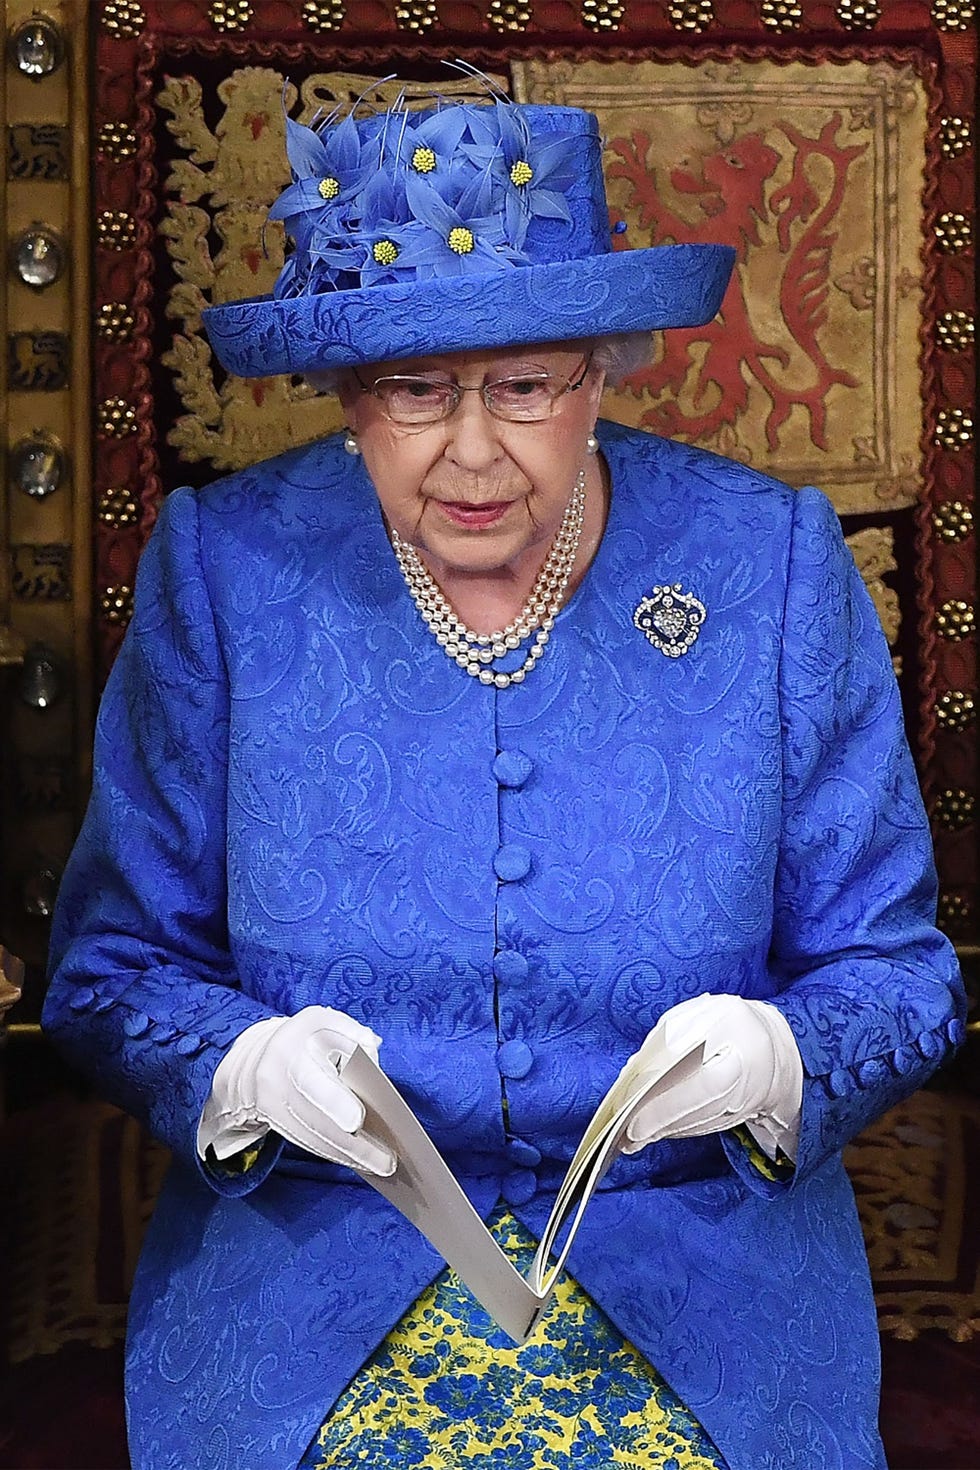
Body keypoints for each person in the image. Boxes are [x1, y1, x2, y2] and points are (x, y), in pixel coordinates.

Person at [43, 89, 964, 1470]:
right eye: (416, 389)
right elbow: (109, 970)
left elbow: (898, 972)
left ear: (604, 370)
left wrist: (783, 1059)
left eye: (528, 384)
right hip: (313, 1275)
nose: (473, 450)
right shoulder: (228, 571)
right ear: (348, 393)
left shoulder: (766, 561)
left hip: (703, 1271)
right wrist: (239, 1067)